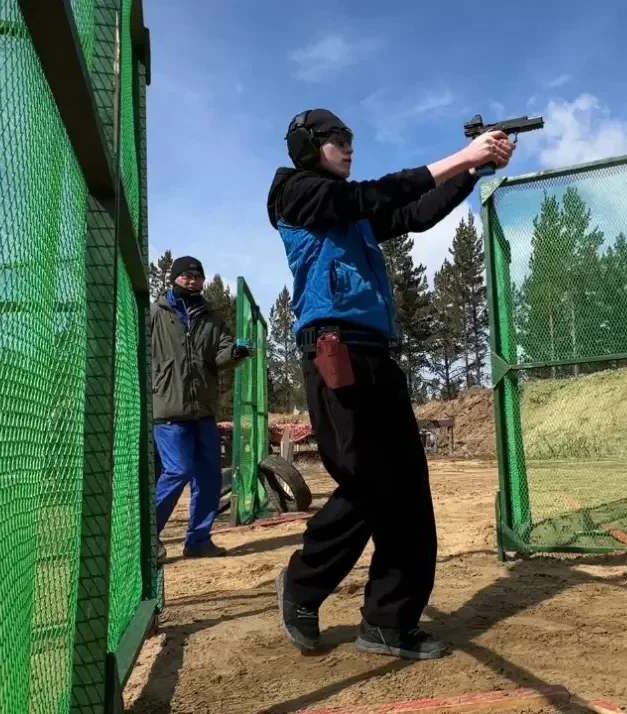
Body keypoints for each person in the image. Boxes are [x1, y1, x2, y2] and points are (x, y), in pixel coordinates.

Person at [266, 108, 514, 660]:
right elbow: (376, 194)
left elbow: (414, 213)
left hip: (377, 355)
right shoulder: (296, 193)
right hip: (335, 353)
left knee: (406, 487)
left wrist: (474, 172)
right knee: (370, 483)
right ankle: (303, 584)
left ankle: (387, 622)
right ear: (308, 146)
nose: (348, 146)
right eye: (337, 139)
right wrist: (463, 156)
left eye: (350, 137)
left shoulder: (348, 211)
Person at [150, 256, 252, 559]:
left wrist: (236, 352)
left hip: (203, 411)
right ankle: (145, 538)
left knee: (209, 478)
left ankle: (198, 541)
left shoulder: (212, 317)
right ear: (174, 278)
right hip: (168, 410)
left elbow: (220, 355)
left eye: (197, 276)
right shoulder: (155, 313)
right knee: (178, 470)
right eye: (186, 275)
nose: (192, 280)